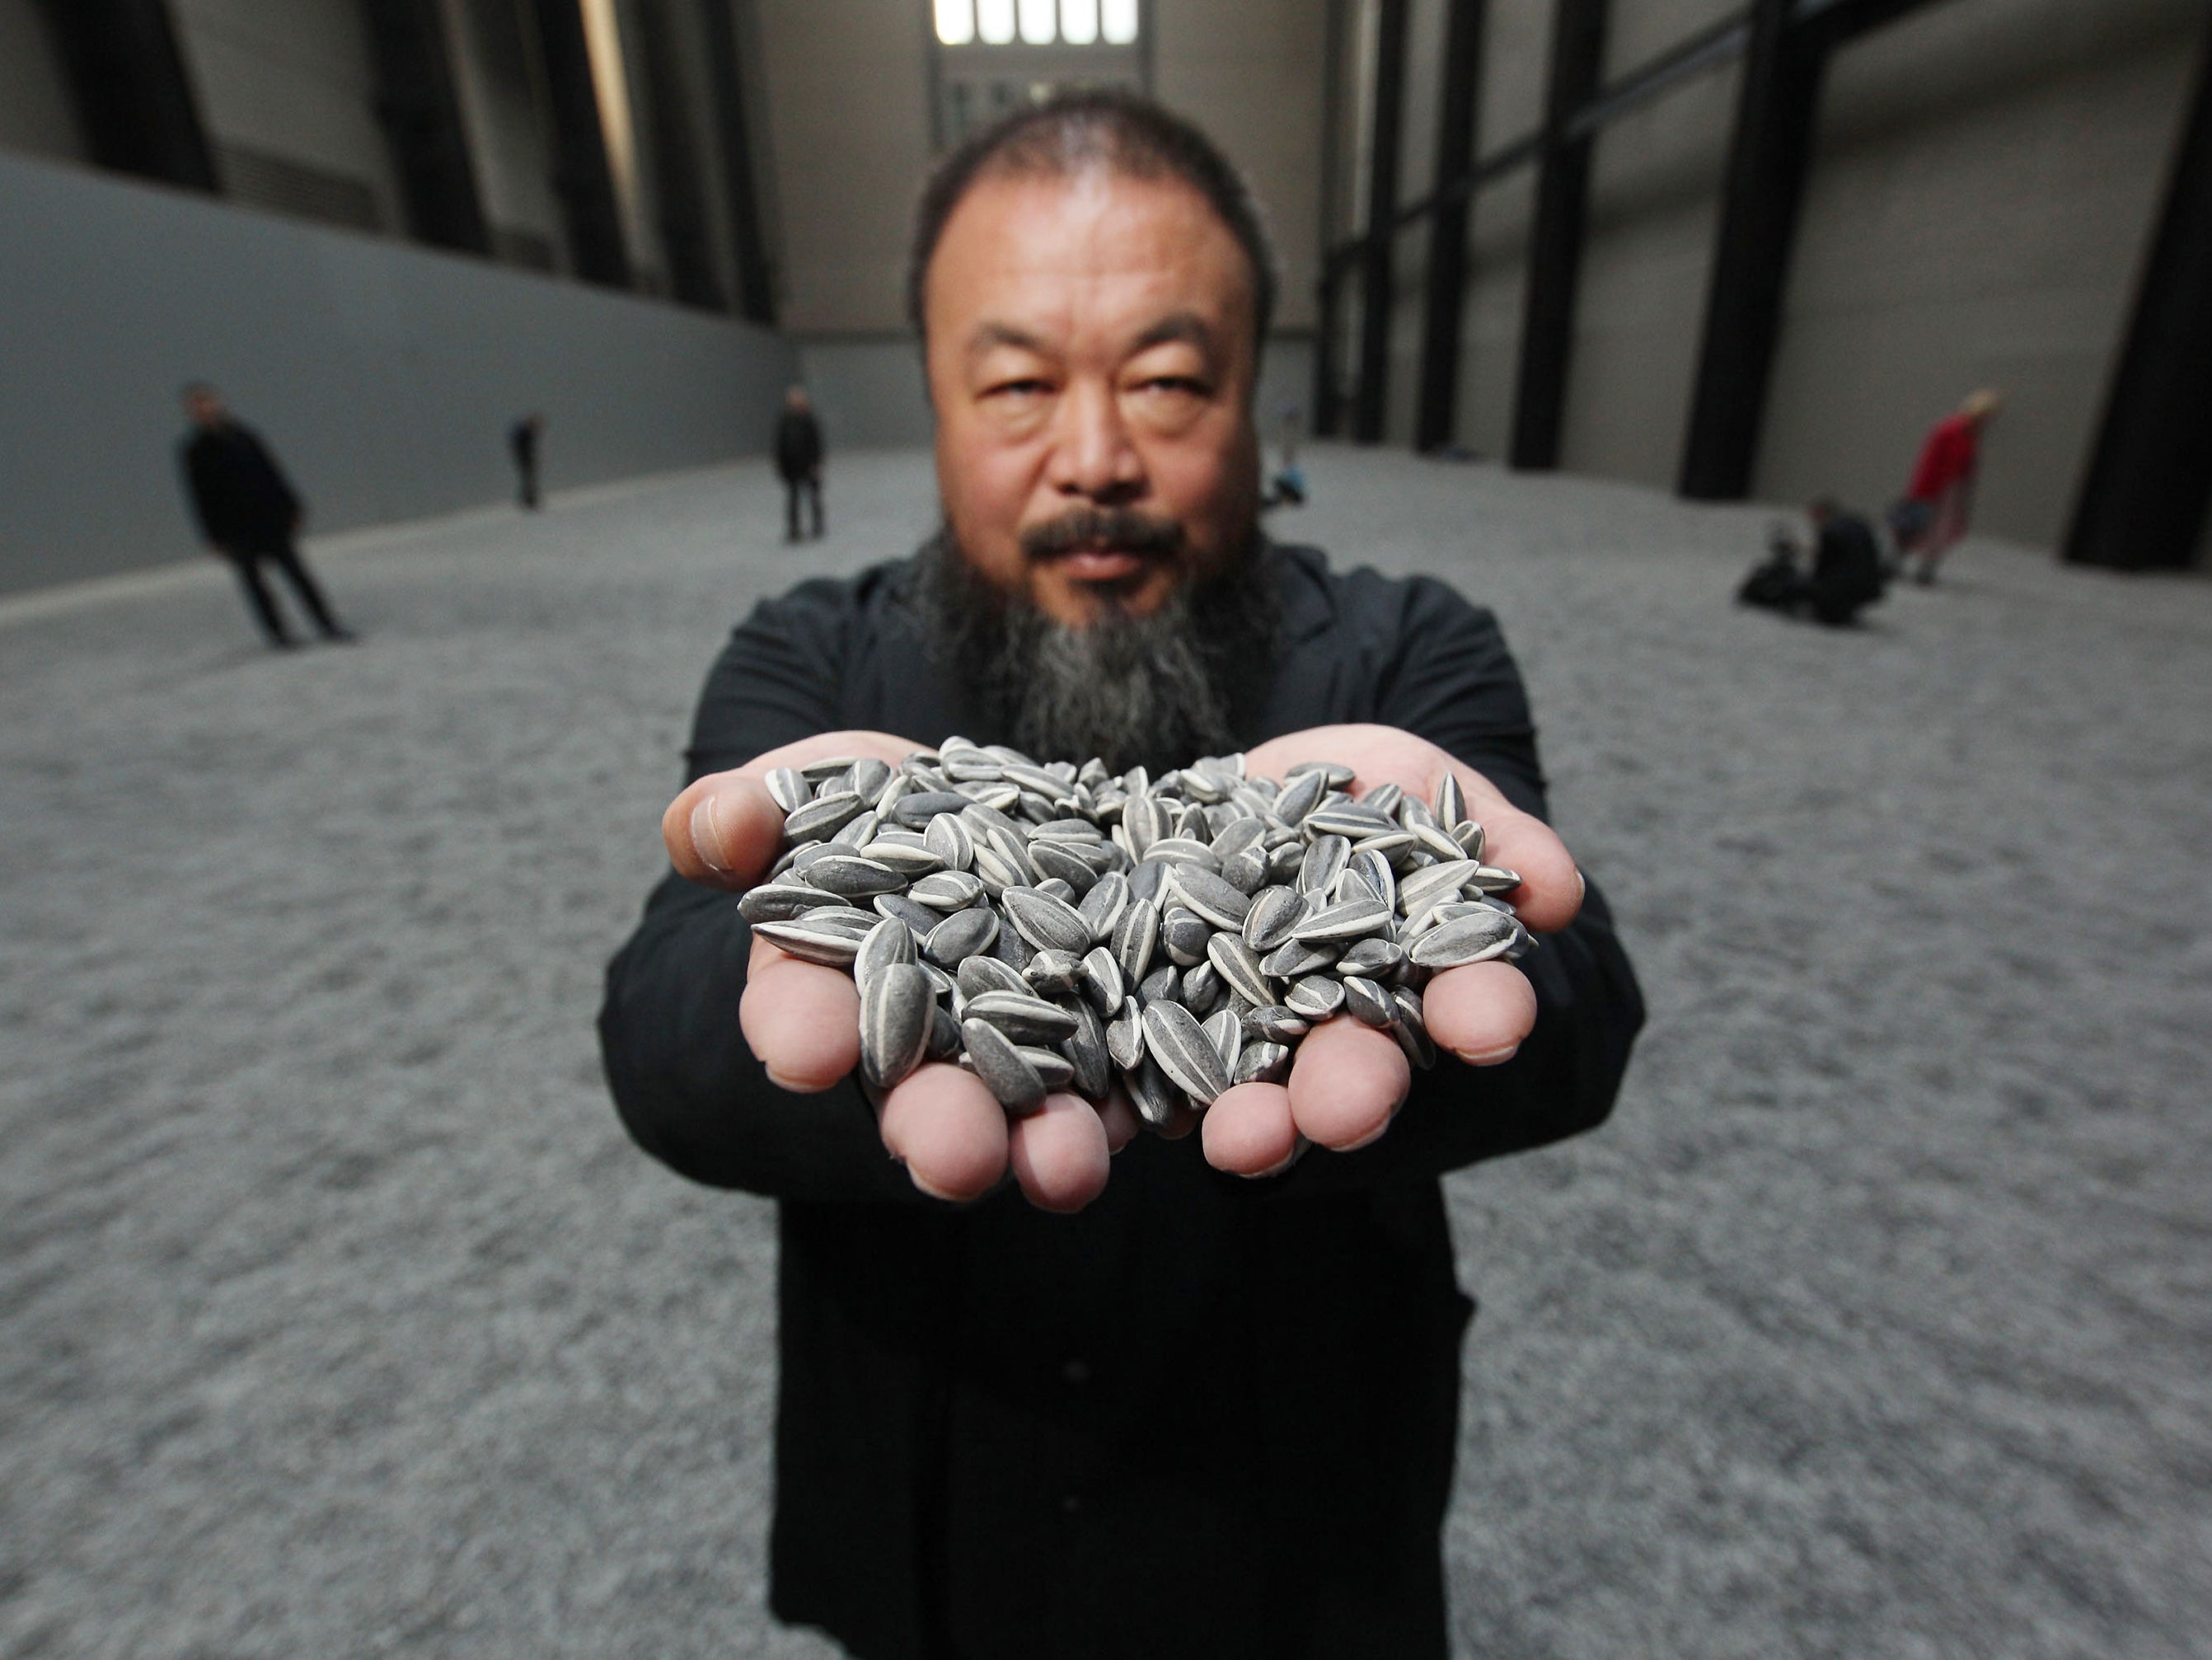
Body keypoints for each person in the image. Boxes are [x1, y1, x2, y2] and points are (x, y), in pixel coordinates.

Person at [600, 92, 1643, 1659]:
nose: (1092, 457)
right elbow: (669, 1024)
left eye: (1165, 381)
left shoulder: (1411, 646)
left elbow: (1567, 999)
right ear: (935, 408)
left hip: (1292, 1503)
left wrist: (1360, 982)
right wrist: (895, 1002)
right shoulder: (809, 657)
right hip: (938, 1481)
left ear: (1253, 402)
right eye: (1015, 384)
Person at [177, 384, 351, 648]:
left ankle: (327, 624)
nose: (206, 410)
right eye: (198, 407)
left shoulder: (245, 436)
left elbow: (272, 472)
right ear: (192, 413)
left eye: (209, 403)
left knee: (299, 576)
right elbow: (199, 498)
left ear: (219, 404)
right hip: (236, 530)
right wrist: (214, 537)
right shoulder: (194, 451)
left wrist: (292, 506)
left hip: (269, 520)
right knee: (256, 586)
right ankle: (279, 635)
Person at [1891, 388, 2000, 584]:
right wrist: (1923, 489)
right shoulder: (1951, 429)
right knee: (1916, 524)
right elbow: (1931, 461)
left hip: (1951, 489)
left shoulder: (1970, 434)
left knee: (1940, 531)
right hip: (1934, 486)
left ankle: (1926, 568)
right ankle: (1897, 563)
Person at [774, 385, 825, 541]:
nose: (795, 403)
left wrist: (816, 463)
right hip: (792, 466)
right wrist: (781, 465)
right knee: (793, 499)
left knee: (813, 497)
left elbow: (817, 443)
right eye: (793, 400)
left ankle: (818, 526)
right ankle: (794, 529)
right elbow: (779, 444)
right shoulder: (785, 421)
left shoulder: (809, 420)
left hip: (808, 464)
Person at [509, 413, 543, 509]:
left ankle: (529, 500)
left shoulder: (523, 434)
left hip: (525, 460)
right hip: (525, 460)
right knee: (529, 481)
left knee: (528, 480)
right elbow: (527, 449)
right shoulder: (525, 435)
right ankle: (529, 501)